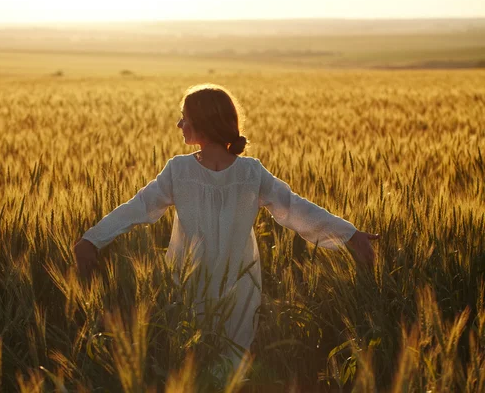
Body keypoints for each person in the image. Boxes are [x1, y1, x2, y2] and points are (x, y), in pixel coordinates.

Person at [73, 83, 379, 375]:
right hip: (236, 287)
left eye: (185, 118)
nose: (180, 125)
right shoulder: (245, 172)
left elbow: (137, 208)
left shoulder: (185, 170)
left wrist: (93, 239)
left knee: (193, 363)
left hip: (192, 284)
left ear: (203, 123)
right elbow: (296, 210)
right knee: (227, 365)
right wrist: (348, 234)